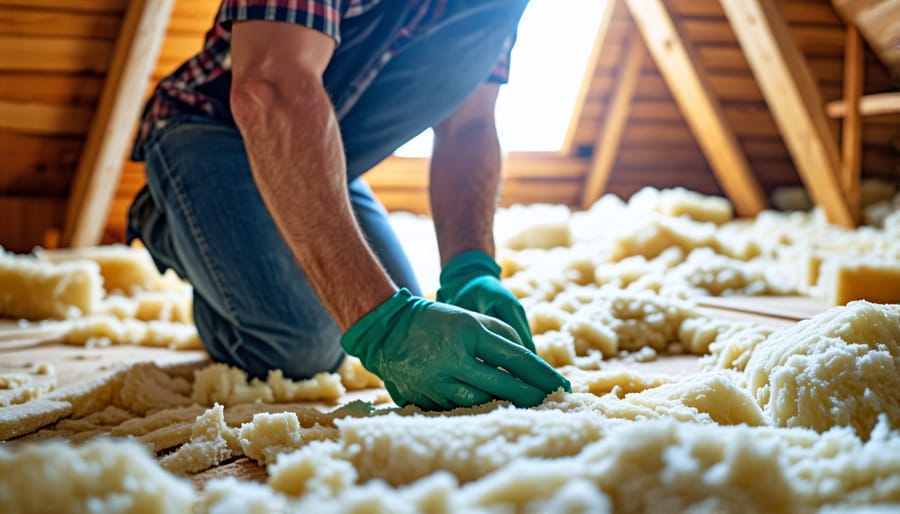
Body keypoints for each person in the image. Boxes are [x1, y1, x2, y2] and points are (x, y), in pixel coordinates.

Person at [127, 0, 571, 411]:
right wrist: (383, 327)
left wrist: (471, 268)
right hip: (209, 132)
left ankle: (240, 241)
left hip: (321, 156)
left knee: (407, 310)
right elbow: (270, 87)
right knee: (305, 345)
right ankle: (174, 223)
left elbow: (468, 124)